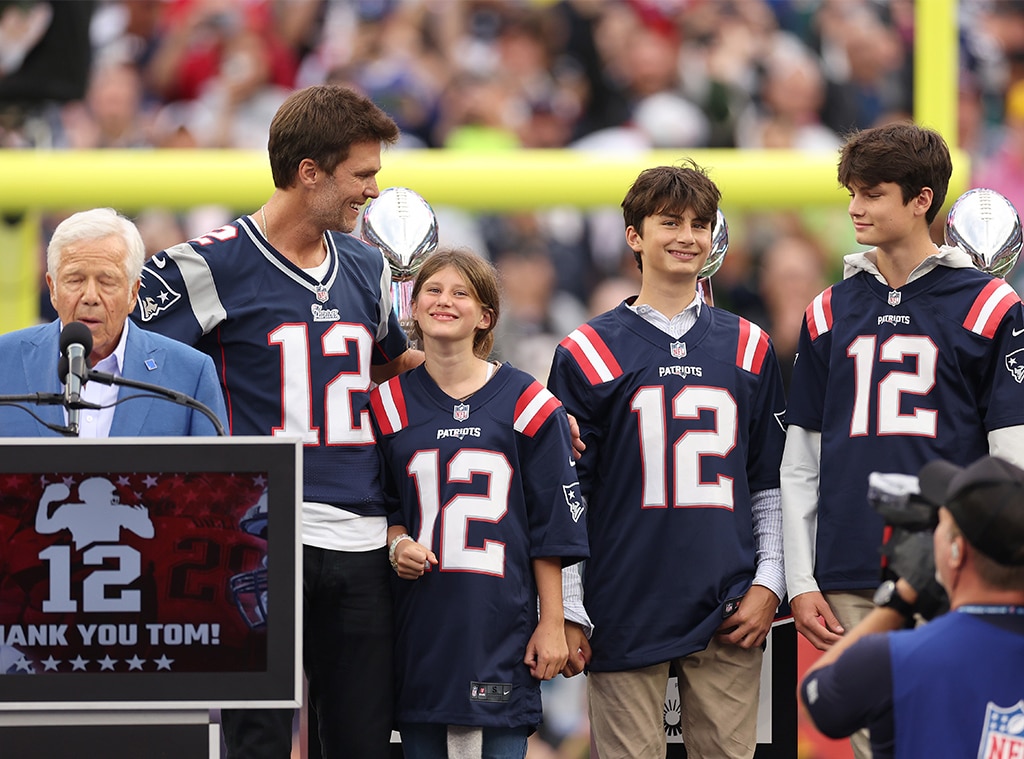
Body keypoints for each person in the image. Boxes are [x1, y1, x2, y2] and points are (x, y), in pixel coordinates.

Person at [130, 84, 420, 758]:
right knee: (255, 737)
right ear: (309, 172)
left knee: (360, 740)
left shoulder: (367, 264)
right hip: (257, 532)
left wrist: (518, 406)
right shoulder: (204, 265)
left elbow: (391, 368)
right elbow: (136, 367)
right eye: (364, 174)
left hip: (359, 532)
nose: (374, 191)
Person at [781, 121, 1024, 758]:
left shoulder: (989, 305)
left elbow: (1012, 454)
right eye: (852, 193)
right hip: (850, 566)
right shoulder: (828, 309)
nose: (856, 207)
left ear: (922, 200)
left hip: (958, 568)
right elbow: (802, 458)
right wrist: (801, 579)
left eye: (874, 193)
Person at [547, 161, 787, 759]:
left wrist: (770, 579)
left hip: (727, 600)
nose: (687, 236)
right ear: (634, 235)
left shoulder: (749, 344)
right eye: (670, 222)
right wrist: (571, 605)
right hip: (625, 597)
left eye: (701, 224)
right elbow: (568, 490)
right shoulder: (588, 349)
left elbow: (768, 478)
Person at [368, 248, 588, 759]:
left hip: (500, 622)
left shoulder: (529, 403)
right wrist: (396, 540)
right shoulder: (386, 404)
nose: (445, 301)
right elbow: (378, 505)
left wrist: (552, 621)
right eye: (433, 290)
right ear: (414, 307)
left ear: (486, 315)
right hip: (420, 624)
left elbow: (551, 526)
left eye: (461, 292)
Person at [800, 454, 1024, 758]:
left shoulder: (892, 658)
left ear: (956, 552)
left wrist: (901, 599)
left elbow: (818, 698)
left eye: (941, 524)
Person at [0, 207, 226, 437]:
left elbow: (215, 472)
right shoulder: (4, 361)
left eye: (106, 282)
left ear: (133, 293)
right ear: (53, 289)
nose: (90, 297)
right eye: (75, 280)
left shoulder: (189, 374)